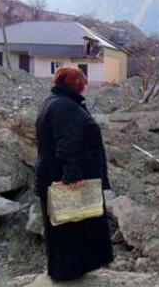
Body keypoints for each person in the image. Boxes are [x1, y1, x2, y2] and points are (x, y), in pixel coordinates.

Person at [35, 66, 114, 281]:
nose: (85, 86)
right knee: (68, 227)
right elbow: (66, 143)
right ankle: (67, 274)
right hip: (64, 177)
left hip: (54, 174)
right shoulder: (65, 107)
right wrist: (72, 174)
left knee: (69, 226)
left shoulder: (56, 101)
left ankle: (71, 271)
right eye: (83, 82)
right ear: (75, 83)